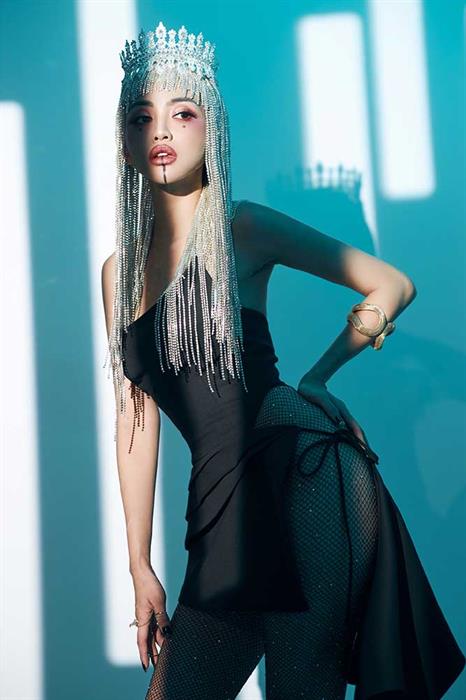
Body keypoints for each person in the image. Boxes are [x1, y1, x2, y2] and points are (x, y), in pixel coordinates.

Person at [101, 21, 465, 700]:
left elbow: (391, 284)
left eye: (183, 112)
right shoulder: (117, 275)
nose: (161, 130)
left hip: (304, 471)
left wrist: (318, 376)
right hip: (222, 504)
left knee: (301, 689)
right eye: (141, 116)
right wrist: (138, 564)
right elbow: (135, 422)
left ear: (213, 128)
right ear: (124, 139)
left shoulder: (242, 226)